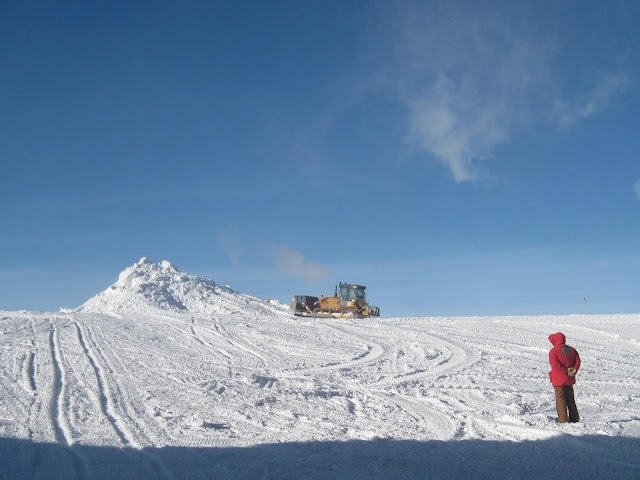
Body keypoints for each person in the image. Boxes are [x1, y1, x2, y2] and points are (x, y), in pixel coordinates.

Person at [548, 332, 581, 423]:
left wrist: (565, 370)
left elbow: (555, 364)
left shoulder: (554, 351)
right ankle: (574, 418)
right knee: (570, 399)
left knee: (560, 399)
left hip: (558, 379)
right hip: (569, 378)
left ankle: (563, 420)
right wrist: (573, 370)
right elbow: (578, 361)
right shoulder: (572, 350)